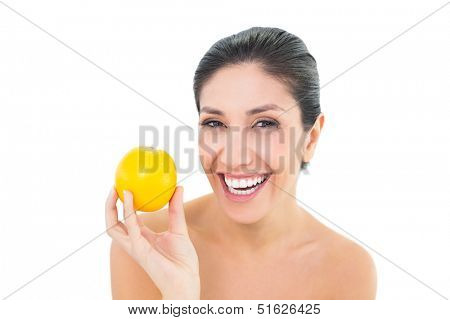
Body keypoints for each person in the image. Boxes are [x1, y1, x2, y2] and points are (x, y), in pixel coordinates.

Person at [105, 27, 377, 299]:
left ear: (310, 139)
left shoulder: (349, 269)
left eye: (265, 124)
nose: (235, 156)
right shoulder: (144, 245)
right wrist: (179, 299)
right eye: (215, 123)